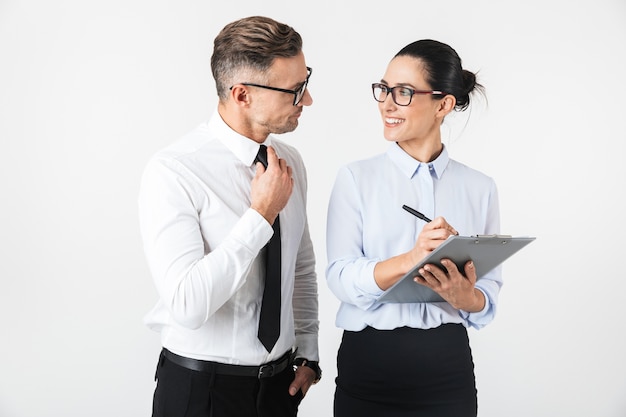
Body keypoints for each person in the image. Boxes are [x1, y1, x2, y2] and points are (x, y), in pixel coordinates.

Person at [138, 16, 321, 417]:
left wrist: (308, 352)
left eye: (305, 82)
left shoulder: (289, 162)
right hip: (201, 392)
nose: (306, 101)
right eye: (295, 90)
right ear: (242, 95)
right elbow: (187, 304)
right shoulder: (174, 170)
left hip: (279, 391)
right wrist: (261, 214)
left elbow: (300, 267)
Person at [326, 39, 501, 417]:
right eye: (384, 89)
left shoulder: (480, 188)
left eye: (403, 92)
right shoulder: (356, 178)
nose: (387, 103)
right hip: (369, 365)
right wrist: (411, 259)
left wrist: (463, 295)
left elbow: (488, 295)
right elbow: (339, 277)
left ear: (444, 104)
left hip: (447, 368)